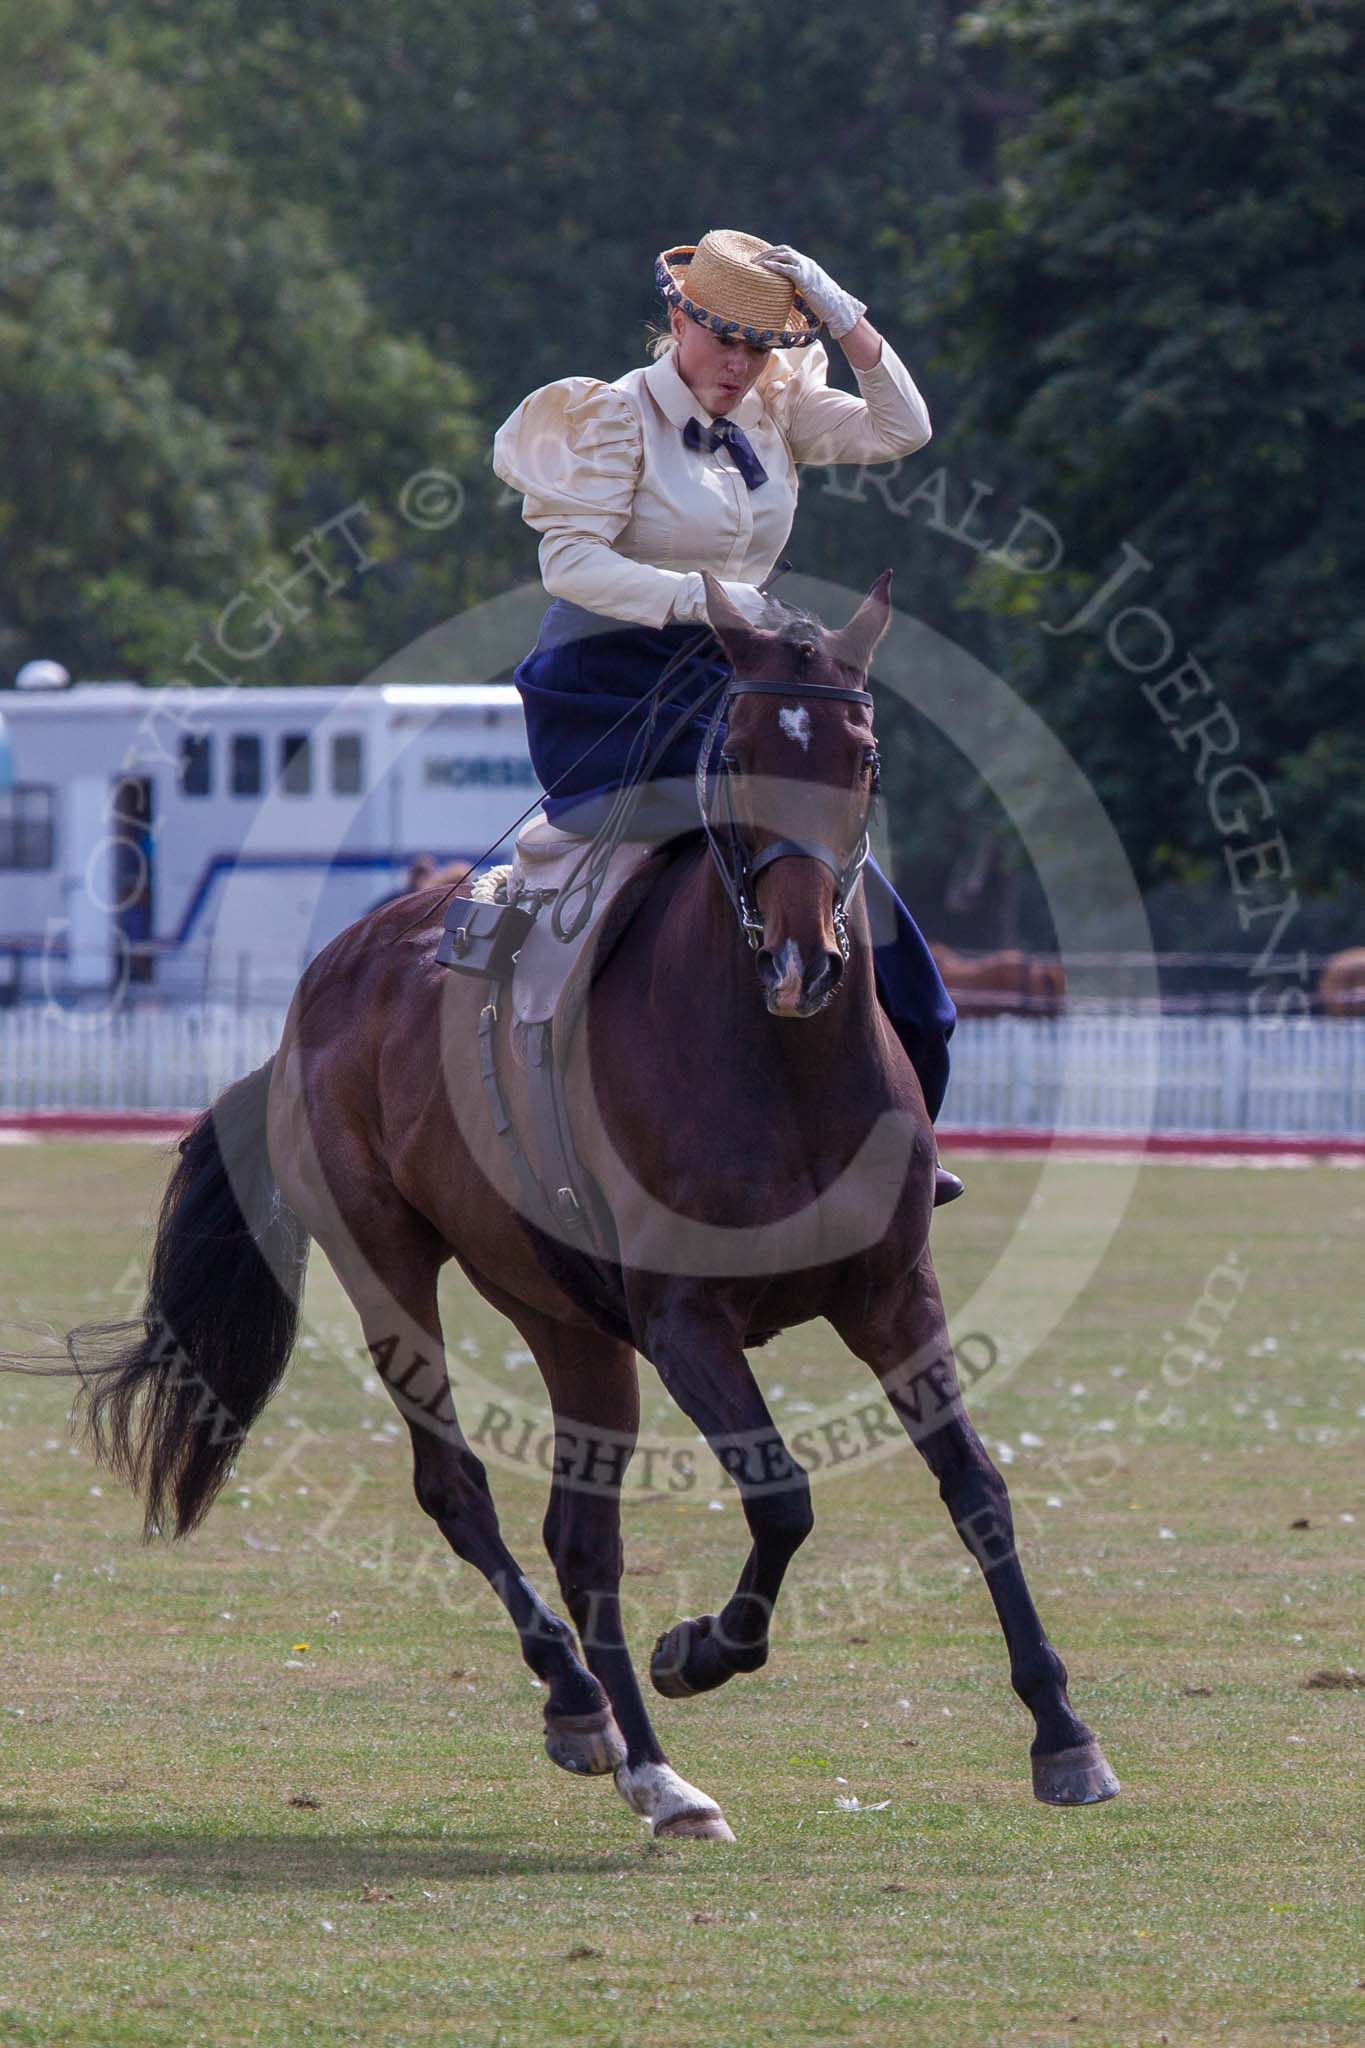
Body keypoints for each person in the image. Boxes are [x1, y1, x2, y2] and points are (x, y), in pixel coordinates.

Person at [492, 229, 962, 1204]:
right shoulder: (613, 417)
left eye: (760, 347)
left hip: (735, 680)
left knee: (837, 863)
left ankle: (907, 1124)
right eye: (722, 342)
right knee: (702, 846)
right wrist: (704, 599)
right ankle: (552, 1087)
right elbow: (567, 564)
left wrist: (840, 309)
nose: (740, 365)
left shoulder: (779, 409)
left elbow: (903, 429)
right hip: (610, 683)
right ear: (676, 323)